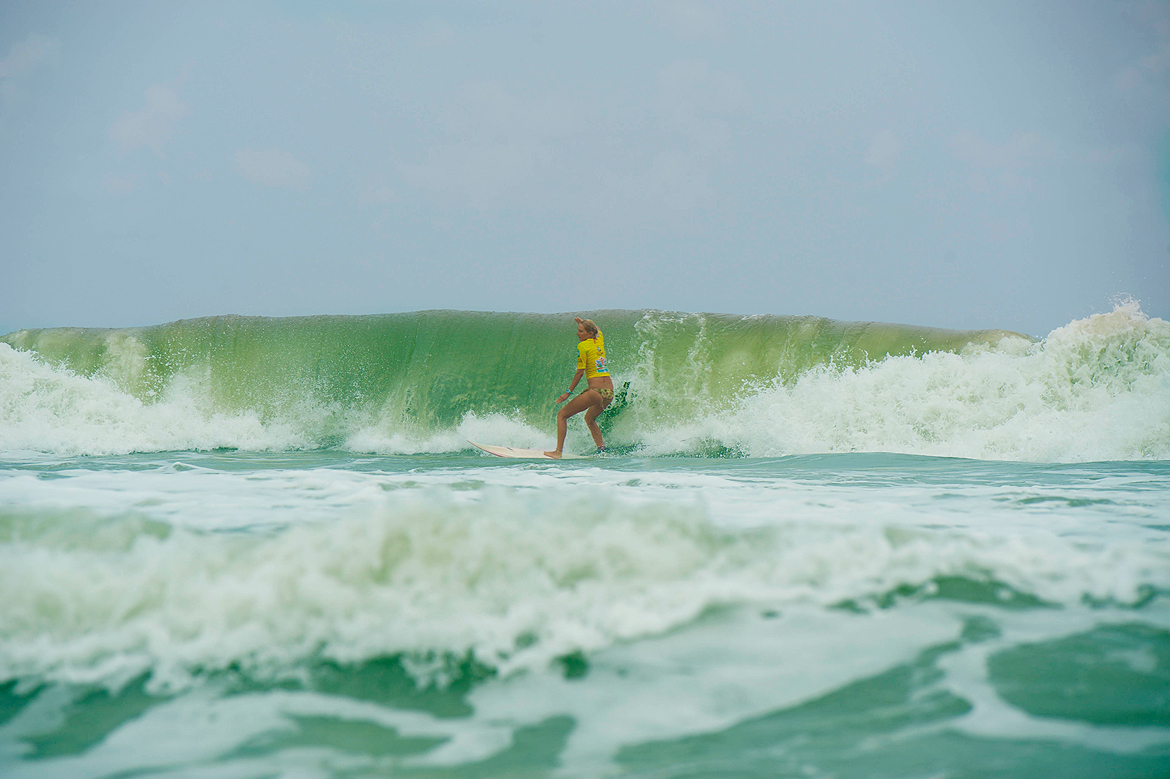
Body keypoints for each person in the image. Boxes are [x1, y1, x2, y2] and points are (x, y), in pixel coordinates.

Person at [545, 317, 614, 458]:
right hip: (609, 392)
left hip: (595, 392)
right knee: (589, 419)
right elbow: (598, 329)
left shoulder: (582, 346)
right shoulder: (599, 340)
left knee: (562, 415)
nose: (577, 333)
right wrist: (583, 323)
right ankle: (602, 450)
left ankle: (558, 452)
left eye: (581, 331)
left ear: (589, 333)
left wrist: (567, 393)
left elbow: (580, 372)